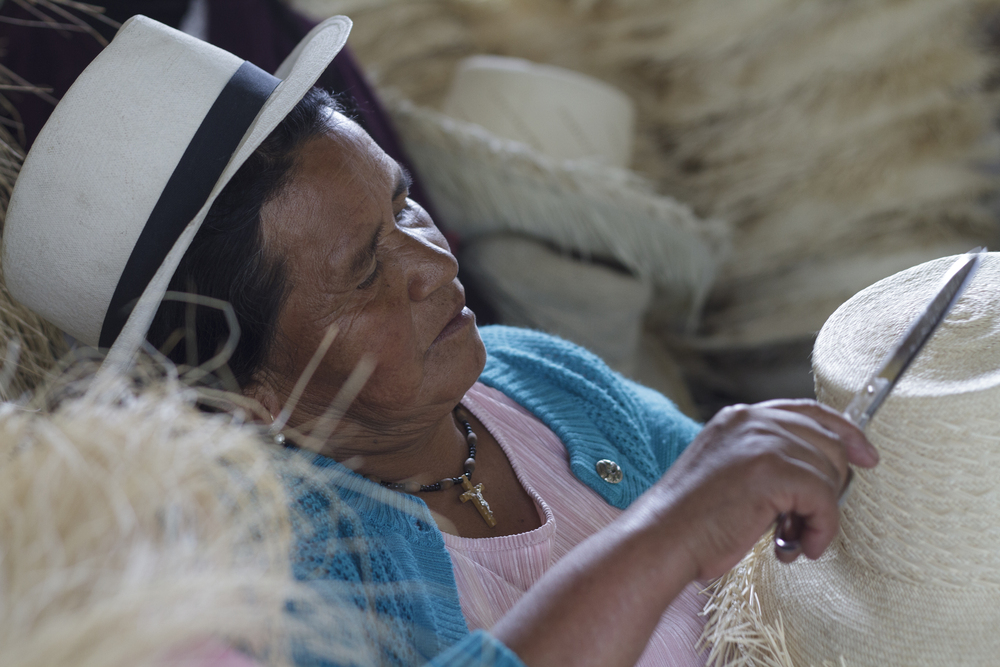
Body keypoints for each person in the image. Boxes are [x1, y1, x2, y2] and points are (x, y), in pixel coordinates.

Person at [3, 15, 878, 667]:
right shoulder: (268, 569)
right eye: (364, 270)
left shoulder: (542, 379)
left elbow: (776, 534)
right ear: (248, 392)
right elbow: (695, 508)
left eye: (404, 204)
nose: (431, 261)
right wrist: (667, 530)